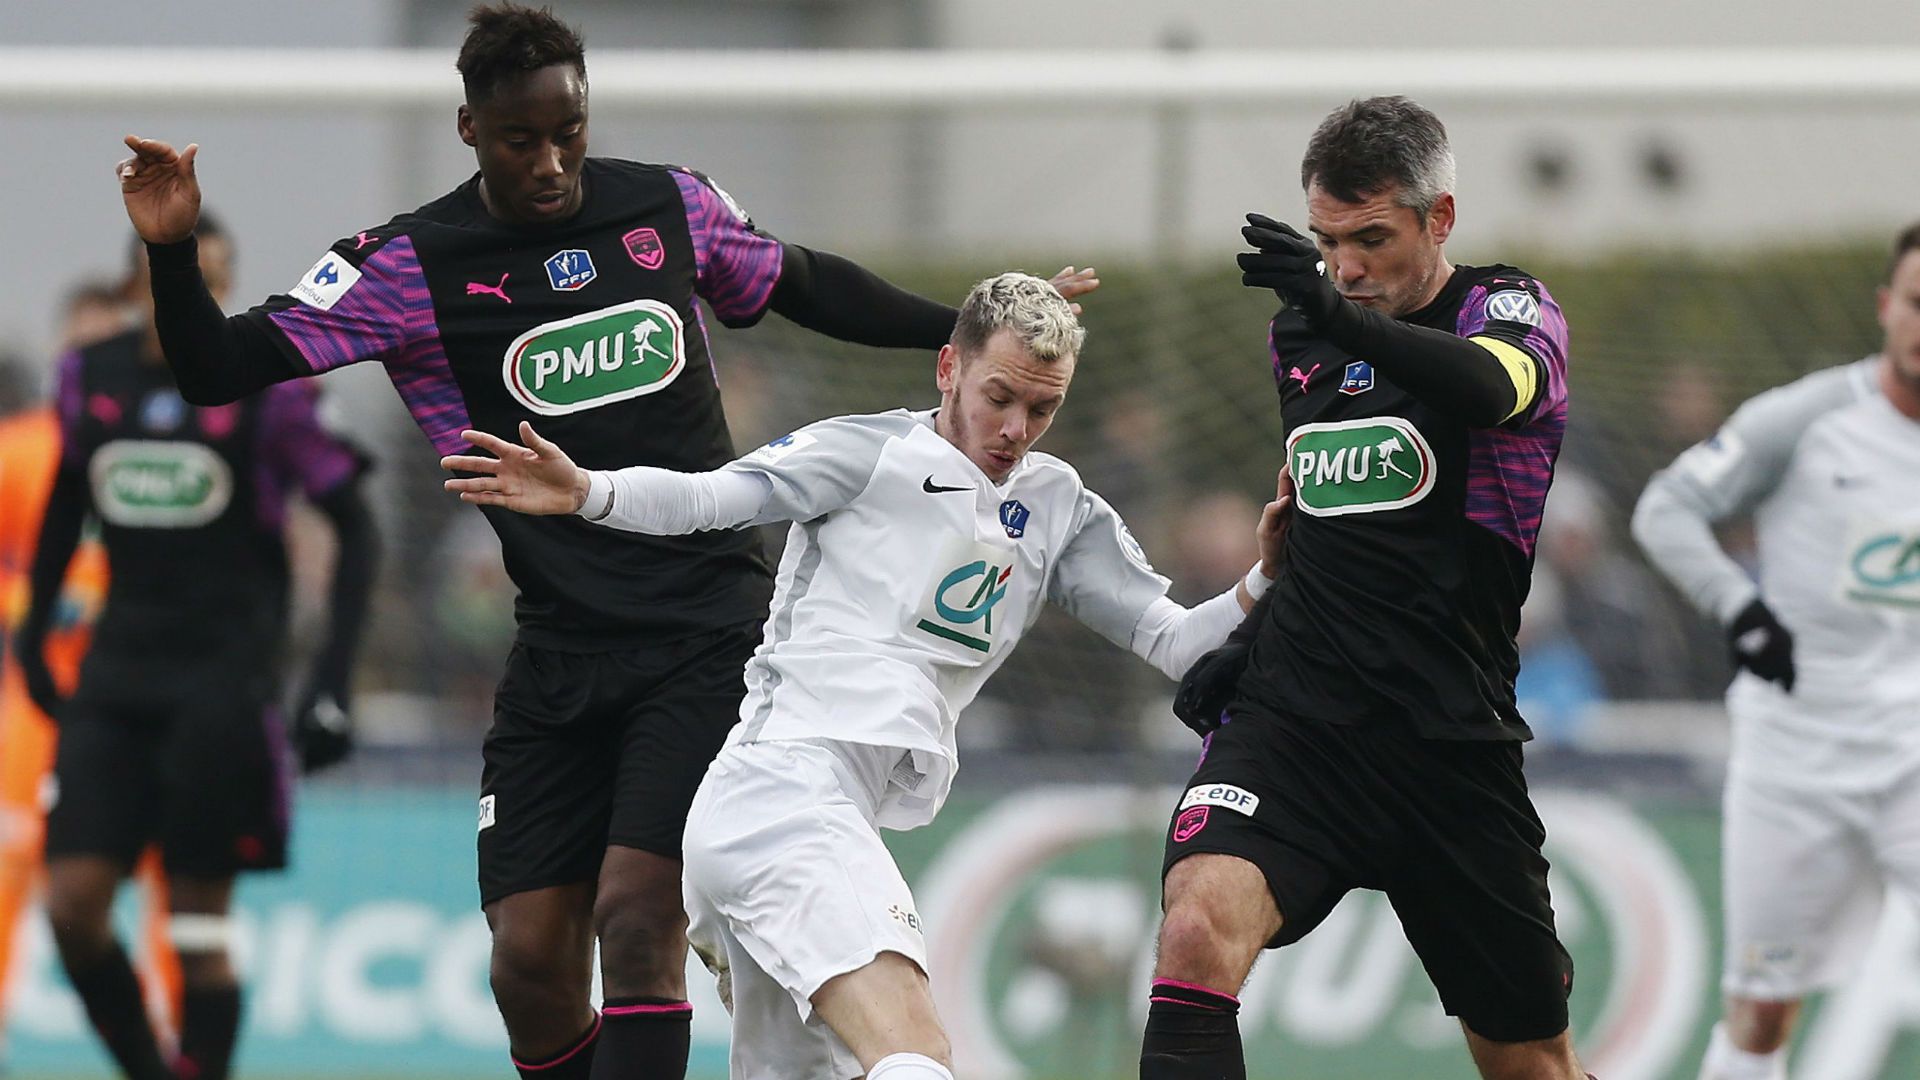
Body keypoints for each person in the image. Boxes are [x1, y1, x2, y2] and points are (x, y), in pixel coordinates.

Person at [114, 6, 1096, 1077]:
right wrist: (169, 247)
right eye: (520, 139)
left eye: (568, 131)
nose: (551, 162)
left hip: (709, 632)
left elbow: (804, 282)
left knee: (638, 916)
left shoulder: (666, 206)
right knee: (527, 966)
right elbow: (216, 366)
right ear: (468, 130)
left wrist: (967, 331)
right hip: (559, 653)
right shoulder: (409, 267)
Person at [440, 271, 1287, 1080]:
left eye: (1043, 407)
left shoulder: (1060, 508)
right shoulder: (868, 452)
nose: (1016, 428)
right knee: (915, 1050)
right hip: (782, 795)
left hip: (827, 812)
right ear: (949, 368)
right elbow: (709, 500)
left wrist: (1268, 575)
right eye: (1000, 397)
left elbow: (1178, 644)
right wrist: (588, 490)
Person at [1142, 96, 1591, 1080]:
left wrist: (1338, 312)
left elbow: (1489, 387)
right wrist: (1256, 623)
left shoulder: (1508, 311)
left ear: (1440, 220)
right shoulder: (1300, 338)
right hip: (1297, 725)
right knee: (1194, 932)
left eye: (1372, 239)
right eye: (1326, 242)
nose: (1344, 266)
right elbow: (1334, 522)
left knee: (1529, 1064)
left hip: (1447, 741)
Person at [13, 216, 379, 1080]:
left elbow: (357, 530)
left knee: (196, 926)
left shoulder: (269, 392)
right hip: (113, 681)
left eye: (208, 280)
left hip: (221, 688)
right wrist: (33, 642)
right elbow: (68, 502)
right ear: (133, 285)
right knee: (72, 909)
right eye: (173, 276)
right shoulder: (87, 378)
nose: (187, 295)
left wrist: (330, 680)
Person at [1632, 222, 1920, 1080]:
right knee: (1761, 1013)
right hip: (1797, 757)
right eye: (1916, 303)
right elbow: (1666, 507)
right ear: (1885, 307)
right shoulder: (1809, 417)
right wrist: (1740, 608)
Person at [0, 281, 175, 1073]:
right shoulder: (21, 449)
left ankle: (176, 1044)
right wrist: (34, 602)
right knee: (10, 858)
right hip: (39, 703)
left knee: (176, 871)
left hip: (151, 691)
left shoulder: (175, 439)